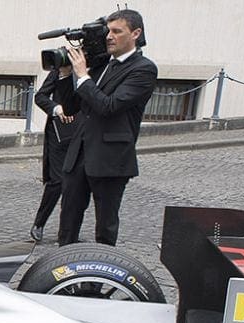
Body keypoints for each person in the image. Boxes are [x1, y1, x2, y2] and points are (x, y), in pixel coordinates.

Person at [55, 9, 157, 246]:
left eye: (117, 31)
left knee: (105, 226)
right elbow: (71, 107)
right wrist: (66, 74)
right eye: (108, 31)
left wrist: (83, 76)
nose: (109, 37)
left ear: (135, 33)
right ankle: (63, 265)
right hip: (79, 155)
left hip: (111, 159)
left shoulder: (143, 69)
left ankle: (101, 269)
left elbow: (108, 106)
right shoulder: (101, 65)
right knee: (68, 220)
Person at [29, 67, 78, 241]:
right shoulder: (61, 69)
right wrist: (57, 108)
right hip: (59, 133)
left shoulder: (97, 68)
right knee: (57, 180)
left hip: (82, 131)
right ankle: (39, 223)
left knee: (76, 184)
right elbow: (40, 96)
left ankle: (67, 231)